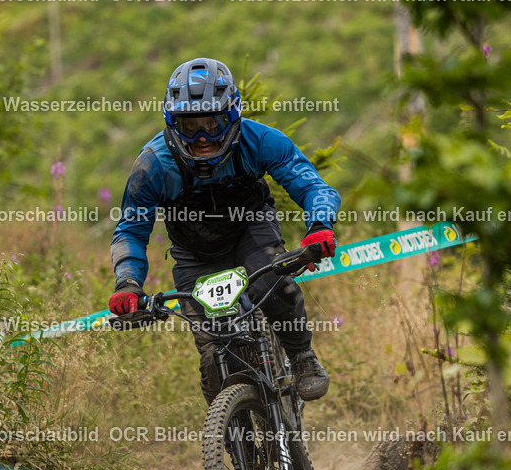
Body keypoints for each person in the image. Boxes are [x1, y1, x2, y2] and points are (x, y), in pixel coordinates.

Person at [108, 57, 340, 405]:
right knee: (212, 357)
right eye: (190, 127)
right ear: (172, 123)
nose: (202, 138)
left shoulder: (259, 140)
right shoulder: (153, 164)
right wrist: (127, 283)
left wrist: (319, 226)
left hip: (252, 229)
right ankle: (230, 438)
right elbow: (130, 229)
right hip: (195, 253)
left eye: (213, 123)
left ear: (232, 116)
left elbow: (312, 186)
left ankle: (302, 358)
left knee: (270, 284)